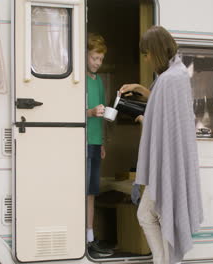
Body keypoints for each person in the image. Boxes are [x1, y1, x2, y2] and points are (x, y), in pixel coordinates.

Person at [120, 26, 203, 264]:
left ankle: (165, 261)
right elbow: (162, 107)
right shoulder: (176, 74)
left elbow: (164, 122)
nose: (145, 59)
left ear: (155, 51)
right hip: (173, 164)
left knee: (156, 215)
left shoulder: (170, 79)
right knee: (150, 215)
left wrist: (144, 120)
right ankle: (162, 259)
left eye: (146, 54)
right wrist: (138, 89)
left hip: (169, 167)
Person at [85, 33, 113, 257]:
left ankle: (89, 239)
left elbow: (102, 115)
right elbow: (69, 113)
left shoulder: (100, 82)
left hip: (95, 143)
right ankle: (80, 238)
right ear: (85, 55)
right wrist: (90, 112)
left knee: (92, 193)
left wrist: (102, 141)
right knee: (80, 192)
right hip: (81, 143)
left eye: (100, 59)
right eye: (94, 58)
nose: (97, 63)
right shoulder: (78, 80)